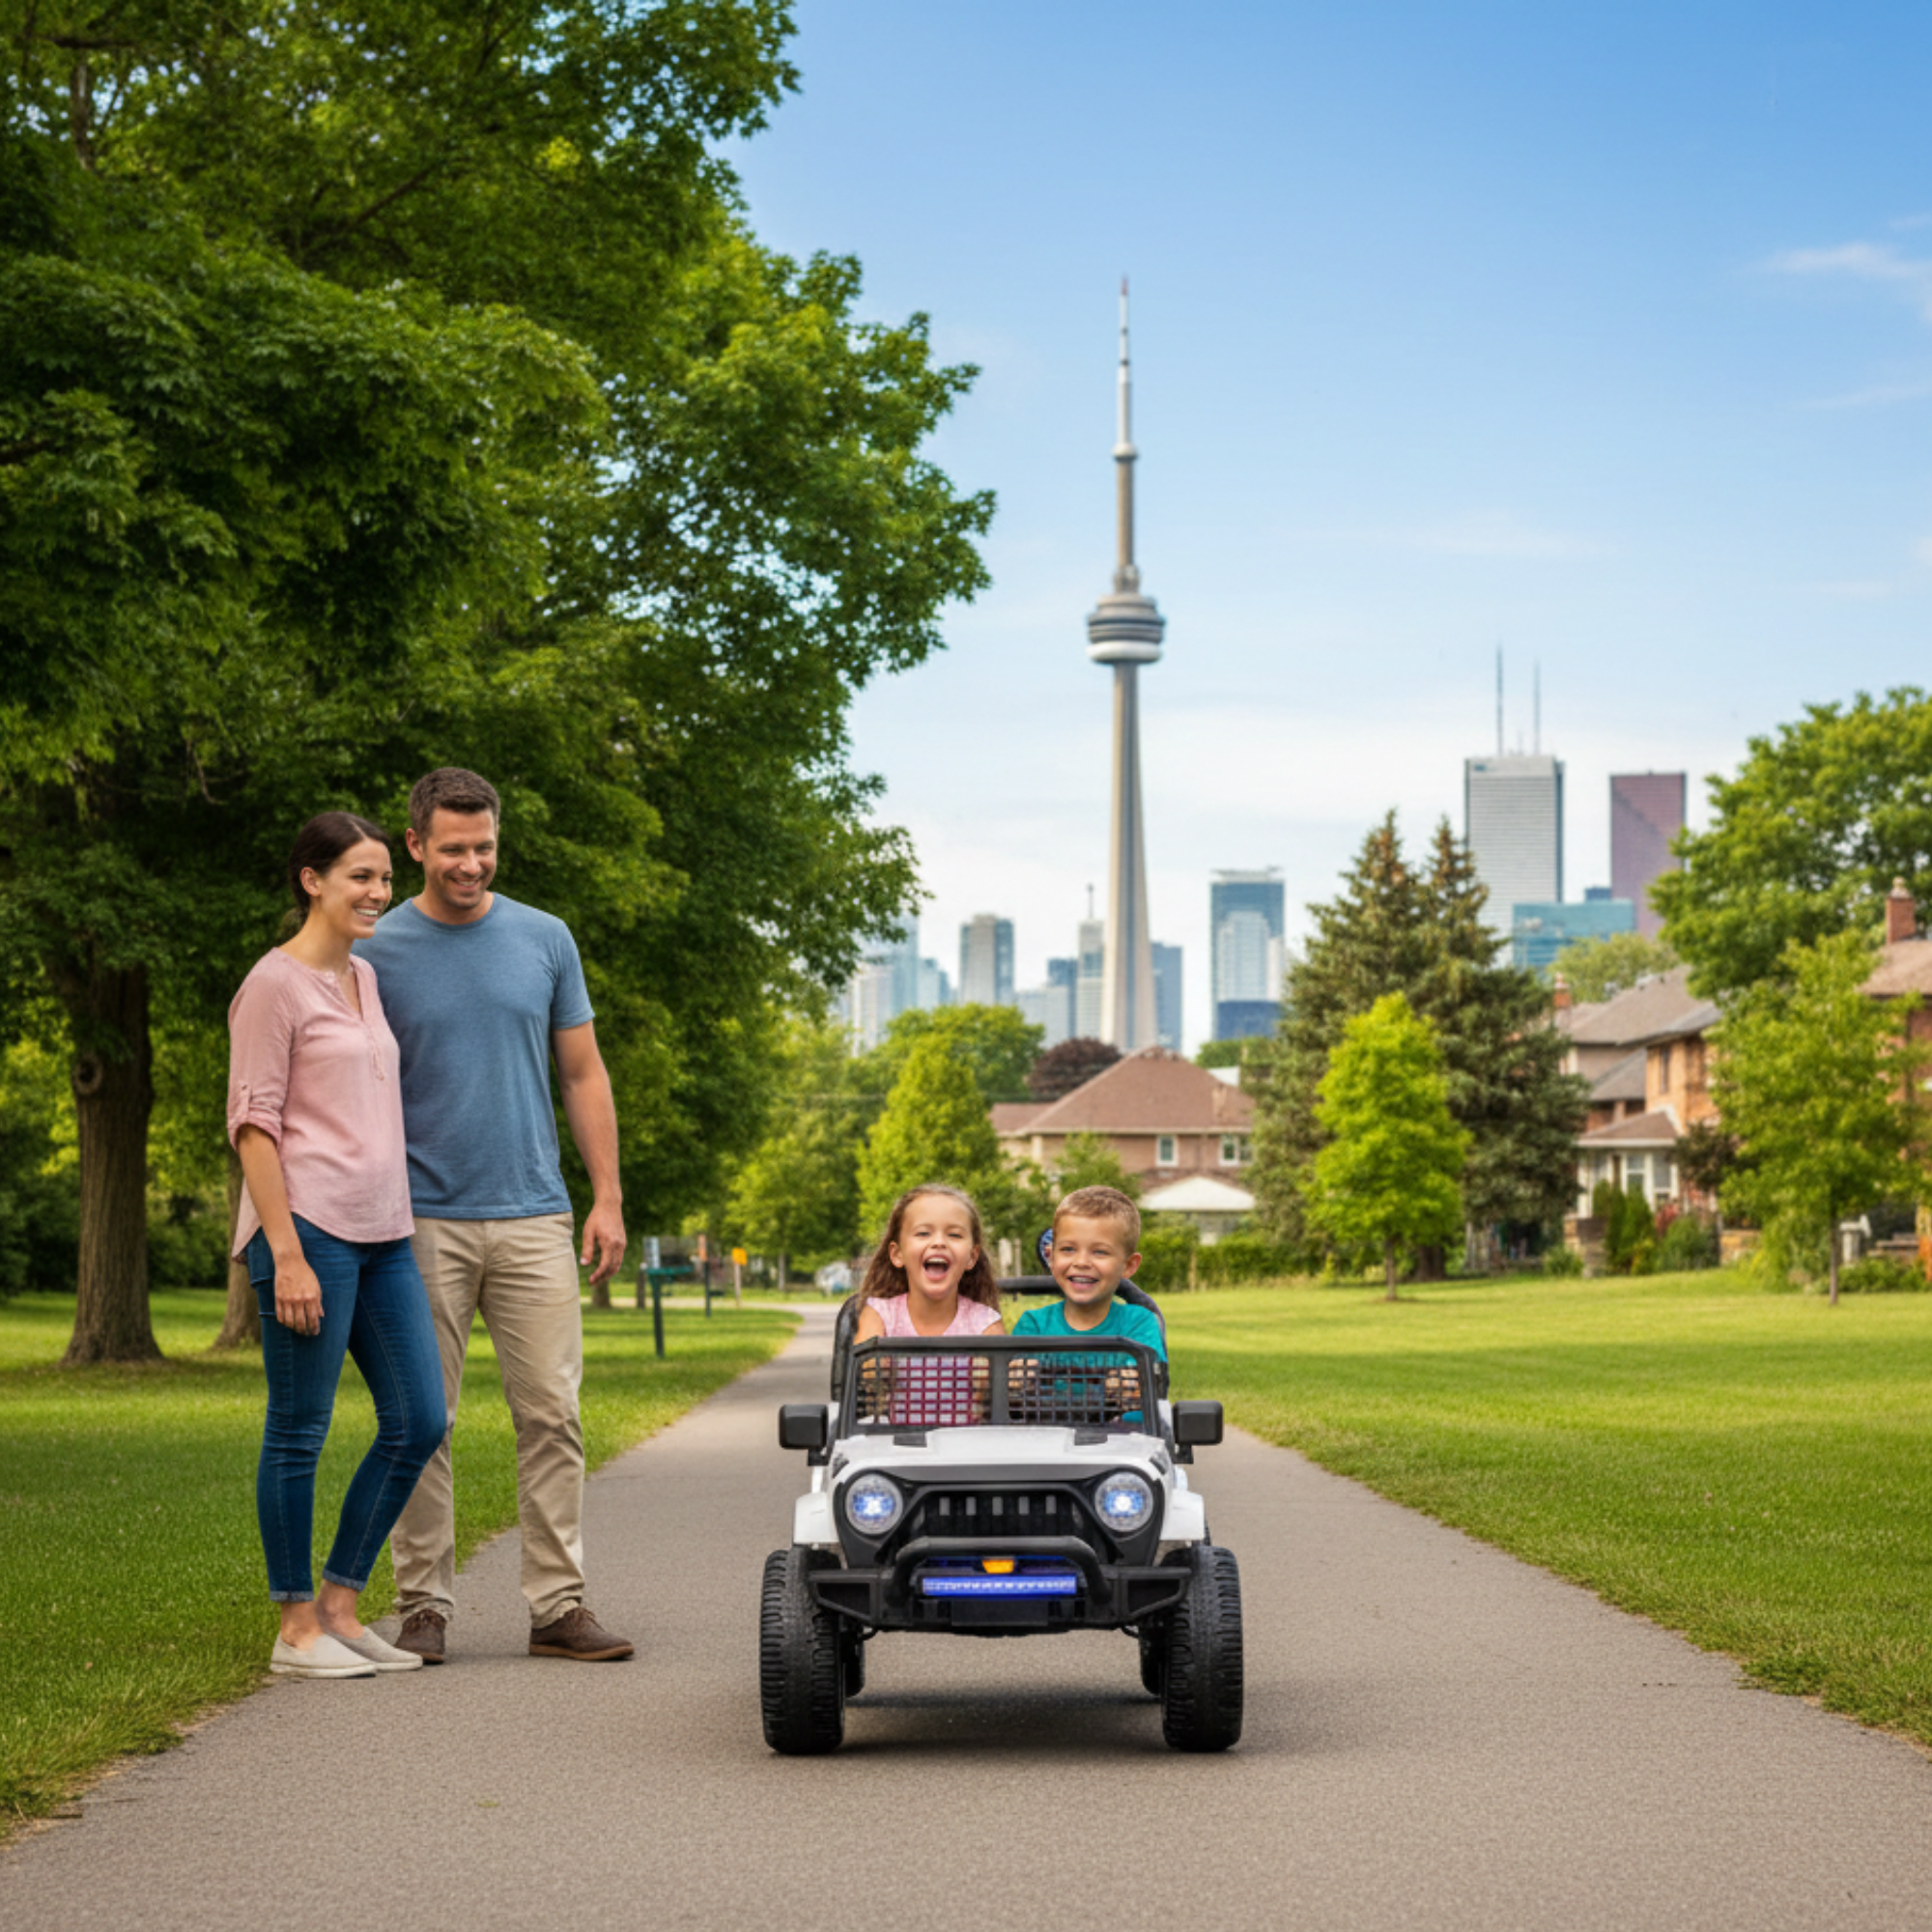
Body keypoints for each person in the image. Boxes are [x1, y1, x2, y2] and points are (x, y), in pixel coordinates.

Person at [355, 768, 631, 1663]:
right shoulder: (374, 951)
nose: (471, 864)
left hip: (533, 1213)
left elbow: (583, 1074)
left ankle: (558, 1605)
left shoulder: (545, 939)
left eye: (485, 848)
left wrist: (608, 1196)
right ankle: (423, 1606)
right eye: (453, 849)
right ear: (416, 847)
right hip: (416, 1218)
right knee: (422, 1418)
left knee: (552, 1411)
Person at [228, 812, 448, 1679]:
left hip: (385, 1232)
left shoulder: (364, 978)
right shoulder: (272, 987)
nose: (379, 893)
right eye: (361, 876)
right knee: (298, 1429)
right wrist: (283, 1253)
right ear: (310, 879)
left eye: (385, 878)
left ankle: (343, 1607)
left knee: (419, 1420)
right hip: (309, 1232)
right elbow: (254, 1126)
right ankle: (293, 1629)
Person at [852, 1186, 1004, 1426]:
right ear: (897, 1254)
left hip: (967, 1448)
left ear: (972, 1257)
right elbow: (867, 1368)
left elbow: (997, 1383)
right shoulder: (881, 1314)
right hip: (899, 1447)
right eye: (923, 1233)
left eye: (954, 1235)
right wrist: (879, 1365)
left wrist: (993, 1374)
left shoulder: (985, 1322)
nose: (939, 1243)